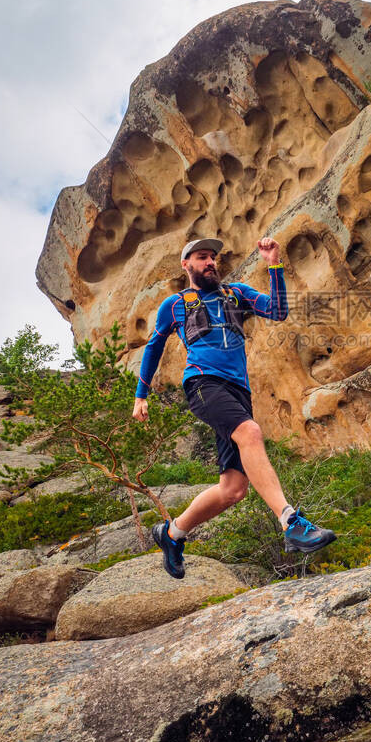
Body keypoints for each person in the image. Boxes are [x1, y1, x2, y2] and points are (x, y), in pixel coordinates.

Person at [132, 235, 336, 579]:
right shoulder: (175, 304)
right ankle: (291, 522)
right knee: (250, 432)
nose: (210, 262)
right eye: (201, 257)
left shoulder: (236, 293)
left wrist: (274, 262)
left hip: (238, 390)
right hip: (202, 383)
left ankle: (171, 534)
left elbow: (277, 310)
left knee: (233, 490)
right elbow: (153, 347)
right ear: (187, 265)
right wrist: (141, 395)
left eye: (213, 257)